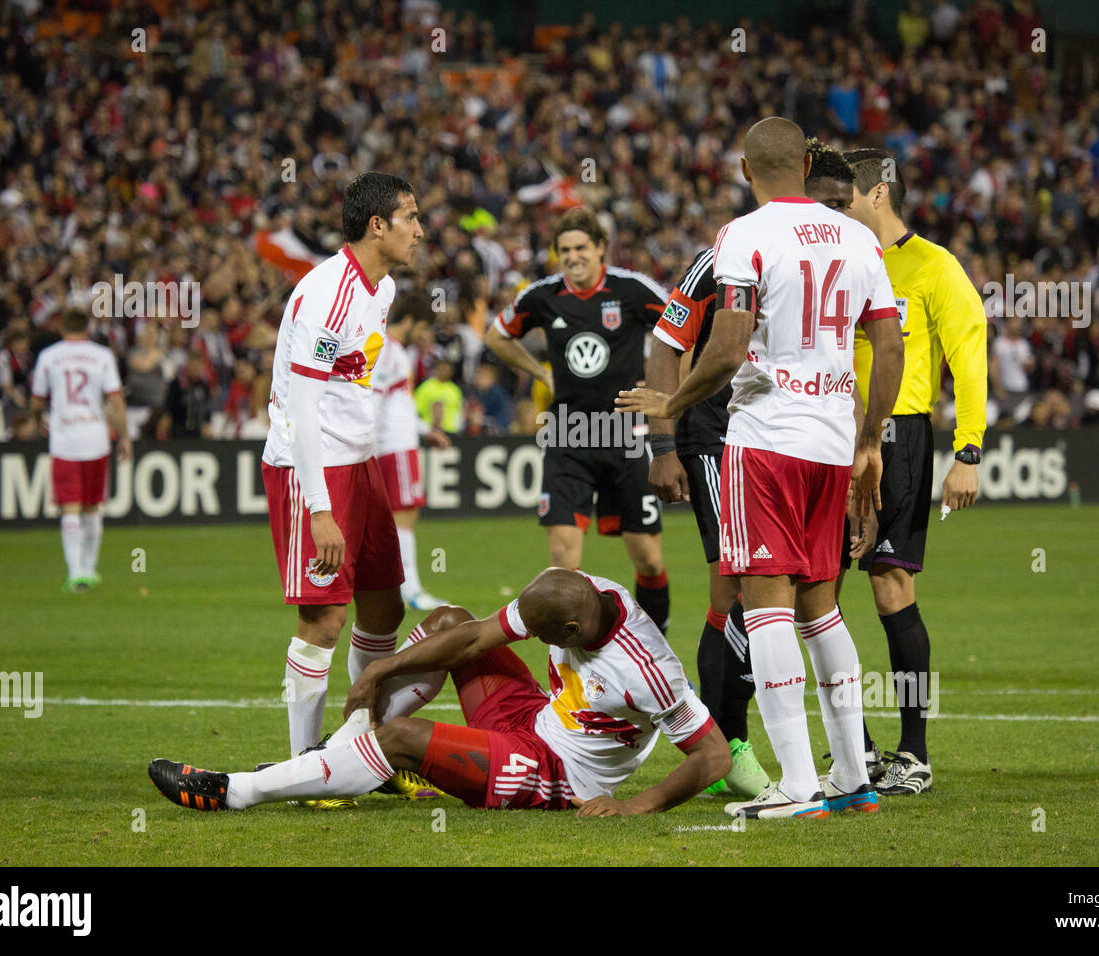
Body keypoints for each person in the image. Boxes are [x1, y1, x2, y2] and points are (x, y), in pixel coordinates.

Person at [618, 117, 905, 819]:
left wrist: (673, 400)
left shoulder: (744, 236)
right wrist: (869, 441)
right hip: (834, 442)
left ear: (746, 171)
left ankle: (799, 787)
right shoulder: (860, 238)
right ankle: (851, 779)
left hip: (767, 440)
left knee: (763, 600)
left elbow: (726, 345)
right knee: (822, 606)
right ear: (808, 164)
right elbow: (890, 347)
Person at [149, 568, 731, 815]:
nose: (530, 636)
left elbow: (713, 755)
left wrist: (635, 805)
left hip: (555, 772)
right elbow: (476, 637)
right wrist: (381, 669)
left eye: (542, 635)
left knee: (400, 737)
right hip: (534, 721)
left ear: (573, 632)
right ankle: (343, 756)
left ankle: (236, 791)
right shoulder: (582, 593)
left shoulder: (650, 670)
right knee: (452, 620)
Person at [259, 171, 421, 780]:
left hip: (359, 461)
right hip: (314, 468)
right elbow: (301, 405)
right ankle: (303, 765)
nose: (420, 230)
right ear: (377, 225)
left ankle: (359, 749)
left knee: (383, 608)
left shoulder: (379, 289)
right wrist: (320, 508)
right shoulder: (326, 293)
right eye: (411, 216)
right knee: (323, 619)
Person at [838, 148, 987, 796]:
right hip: (830, 439)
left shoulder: (931, 266)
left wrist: (969, 452)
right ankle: (858, 748)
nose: (832, 212)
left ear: (877, 195)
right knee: (814, 592)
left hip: (899, 436)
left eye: (842, 199)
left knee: (891, 588)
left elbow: (969, 353)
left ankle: (914, 753)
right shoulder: (839, 261)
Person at [485, 207, 673, 633]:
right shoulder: (542, 295)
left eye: (581, 248)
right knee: (562, 561)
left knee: (647, 558)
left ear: (600, 248)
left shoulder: (630, 289)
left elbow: (681, 327)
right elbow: (496, 335)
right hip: (567, 435)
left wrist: (666, 388)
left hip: (625, 434)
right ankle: (567, 672)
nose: (572, 256)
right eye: (564, 249)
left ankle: (654, 651)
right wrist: (539, 372)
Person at [29, 310, 132, 592]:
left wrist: (39, 422)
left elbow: (37, 401)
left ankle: (75, 574)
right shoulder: (102, 356)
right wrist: (124, 437)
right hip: (96, 439)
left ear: (61, 325)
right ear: (87, 327)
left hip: (64, 440)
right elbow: (115, 401)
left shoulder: (48, 357)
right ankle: (89, 569)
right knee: (92, 506)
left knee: (70, 507)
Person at [371, 292, 451, 612]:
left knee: (392, 520)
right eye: (422, 328)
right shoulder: (389, 352)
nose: (425, 336)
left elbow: (395, 403)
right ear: (407, 322)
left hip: (396, 440)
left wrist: (424, 431)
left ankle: (391, 586)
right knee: (404, 517)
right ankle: (412, 590)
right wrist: (369, 448)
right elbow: (374, 402)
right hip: (395, 446)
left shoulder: (392, 351)